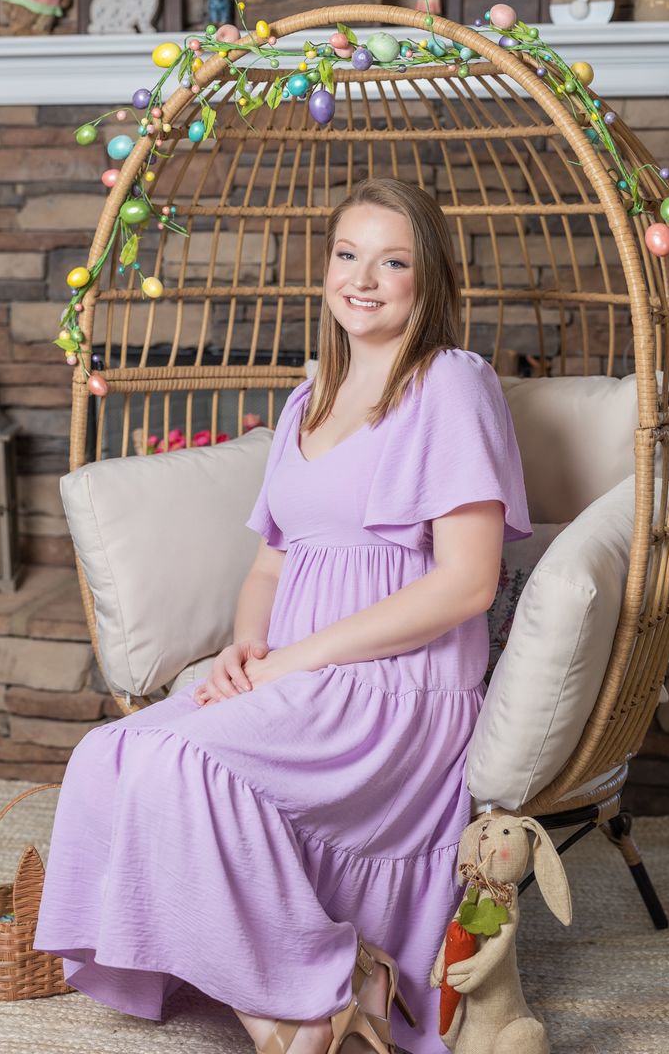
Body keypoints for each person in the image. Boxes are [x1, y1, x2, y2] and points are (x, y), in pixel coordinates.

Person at [33, 178, 532, 1054]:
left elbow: (467, 586)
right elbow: (272, 560)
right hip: (293, 667)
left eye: (393, 260)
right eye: (348, 254)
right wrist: (245, 645)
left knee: (181, 760)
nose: (363, 278)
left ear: (431, 279)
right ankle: (303, 1002)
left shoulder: (453, 384)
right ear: (325, 267)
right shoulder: (309, 399)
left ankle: (319, 983)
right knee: (108, 752)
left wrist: (297, 663)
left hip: (396, 692)